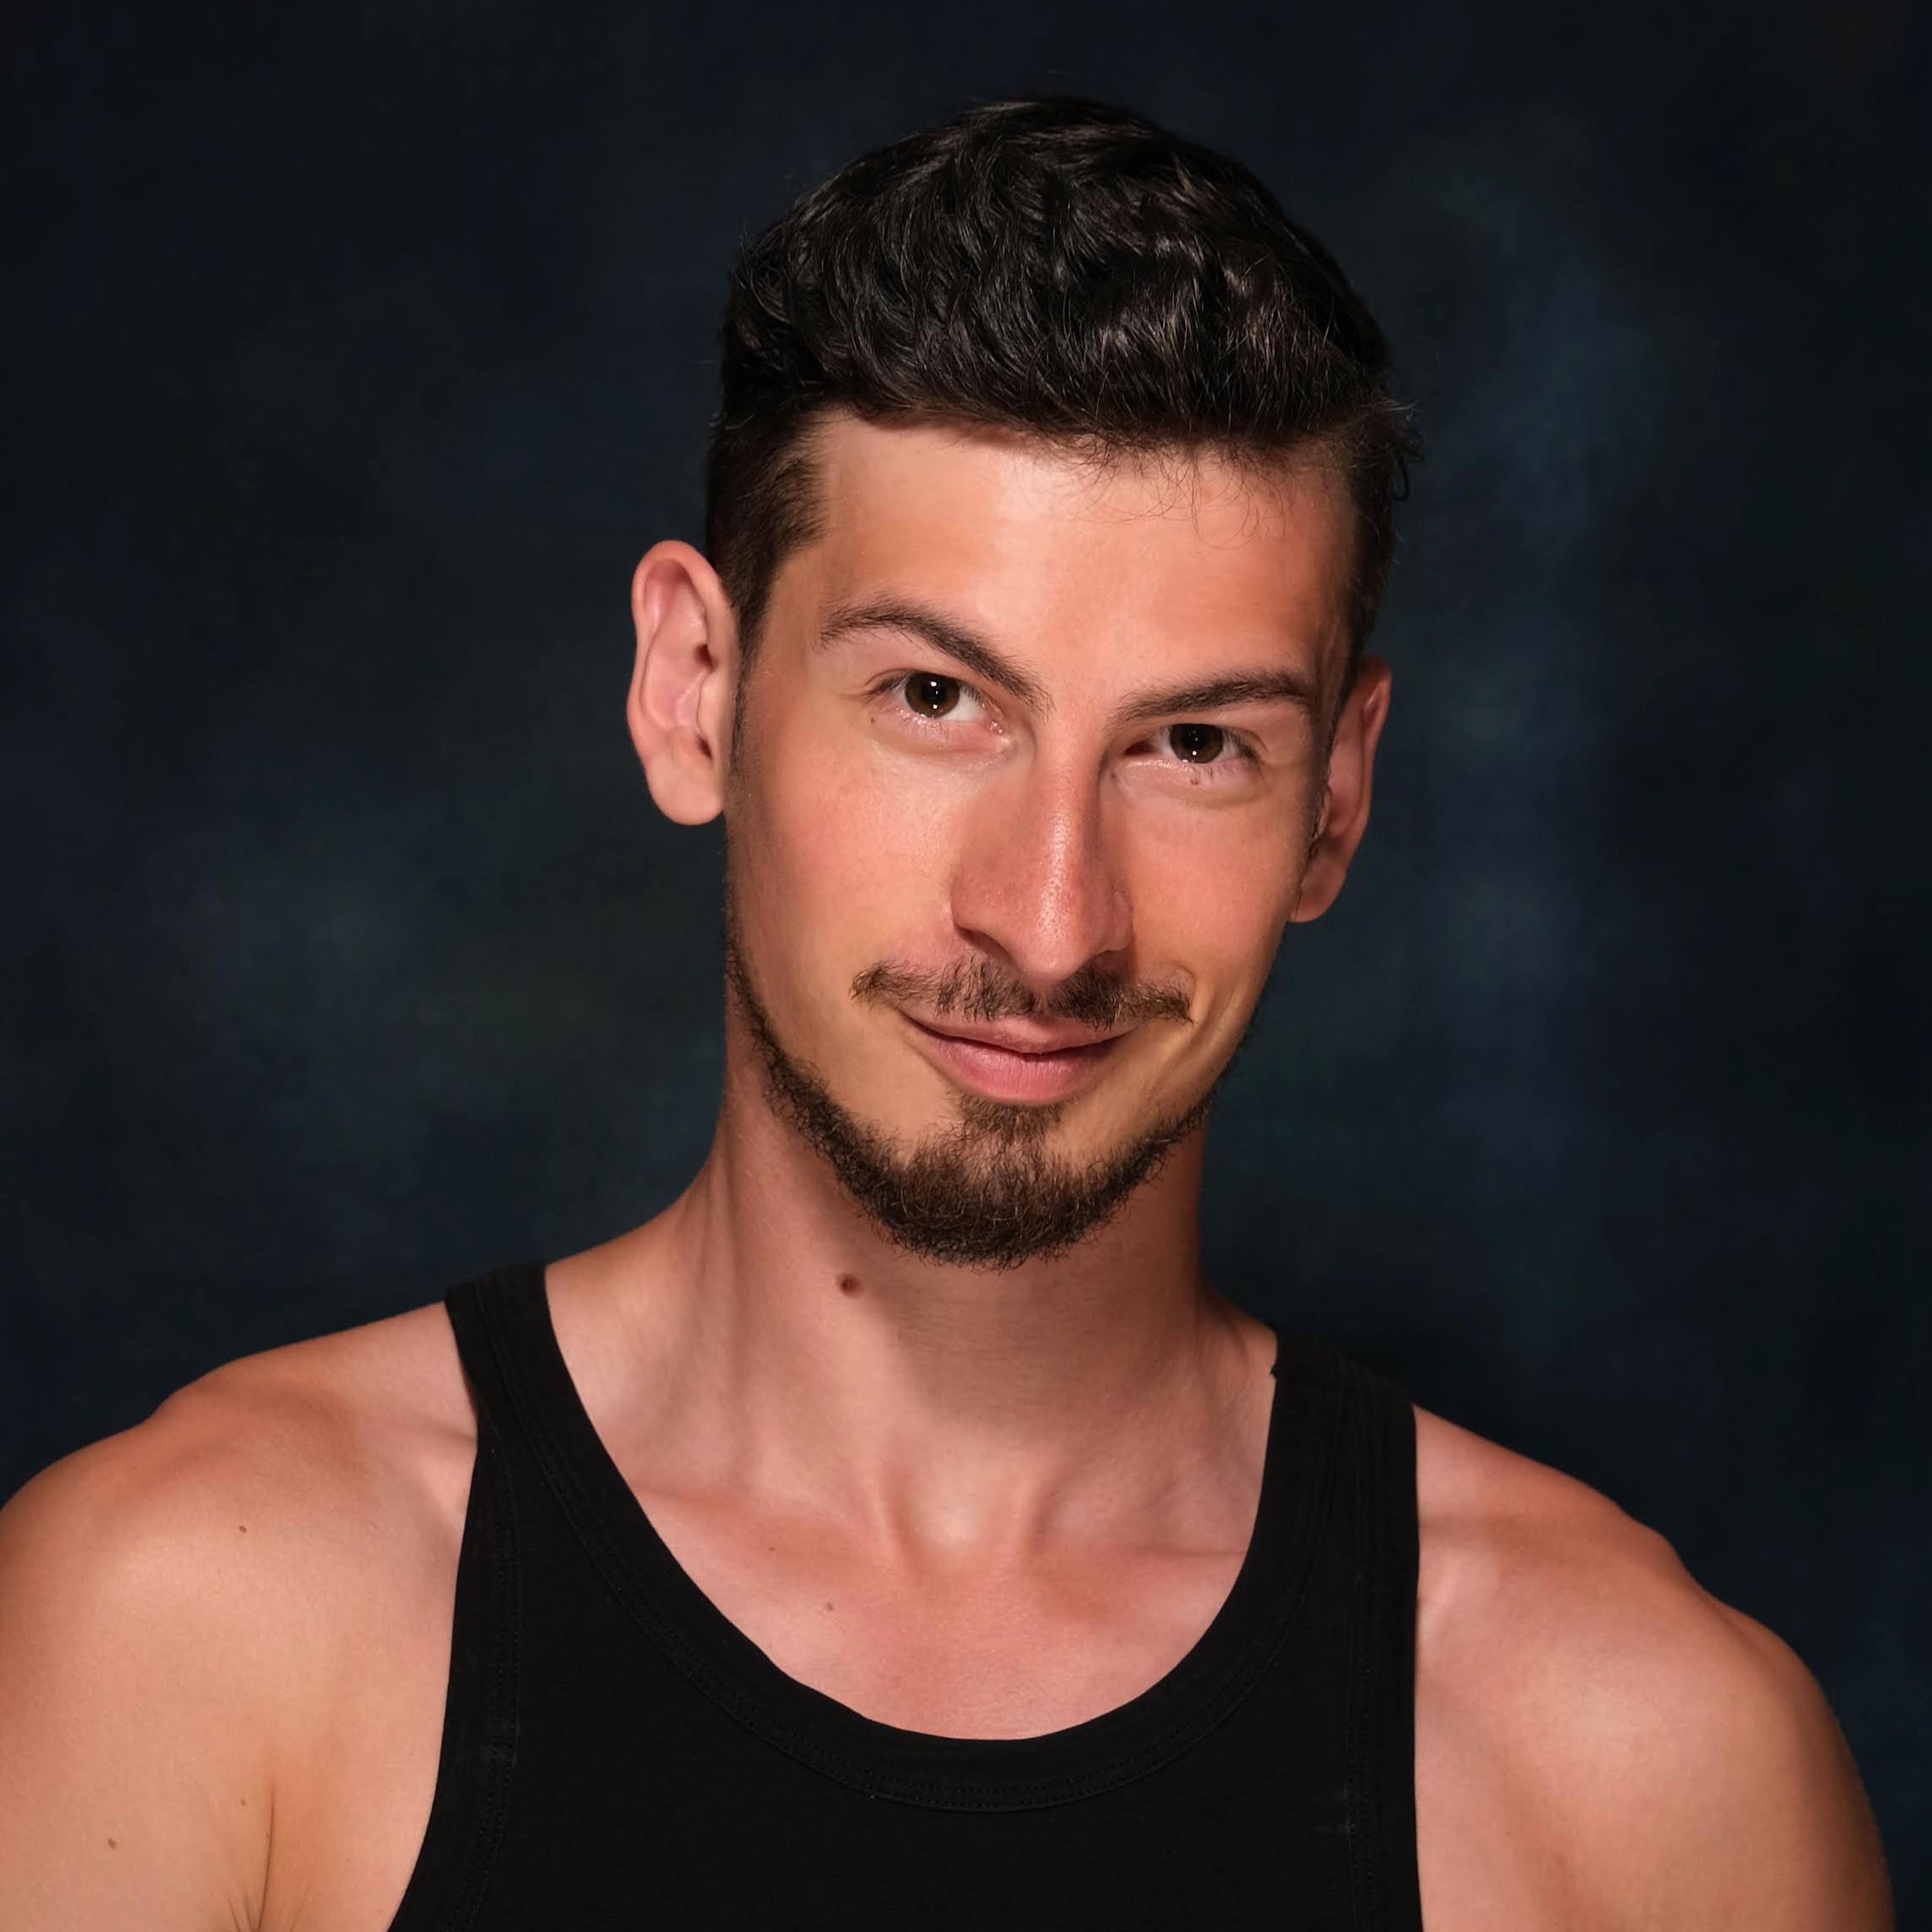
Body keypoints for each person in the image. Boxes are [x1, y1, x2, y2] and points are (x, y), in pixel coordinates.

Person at [0, 96, 1892, 1930]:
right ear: (692, 689)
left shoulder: (1645, 1761)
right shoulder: (188, 1620)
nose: (1051, 919)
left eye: (1194, 743)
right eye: (934, 700)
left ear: (1337, 798)